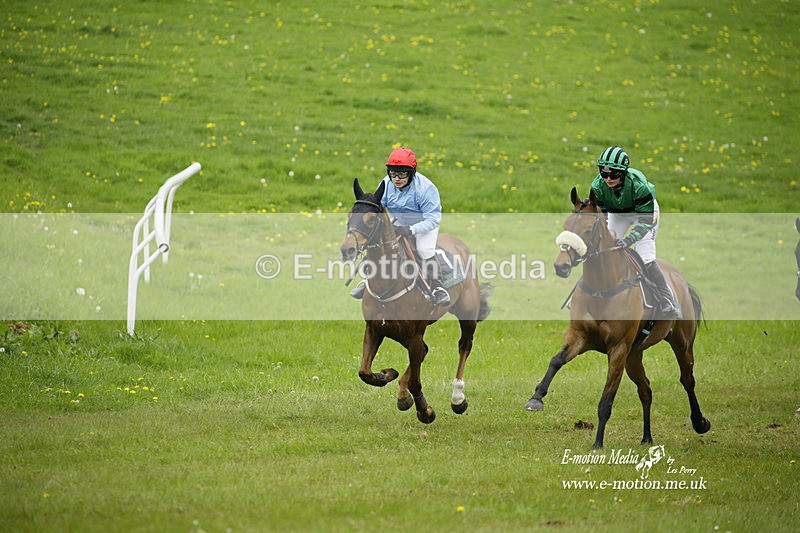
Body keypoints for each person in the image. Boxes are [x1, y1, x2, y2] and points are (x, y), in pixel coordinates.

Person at [350, 147, 451, 306]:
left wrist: (412, 230)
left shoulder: (426, 189)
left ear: (411, 173)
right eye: (393, 173)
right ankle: (368, 281)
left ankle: (438, 287)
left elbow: (433, 219)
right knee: (378, 244)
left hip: (424, 224)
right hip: (398, 222)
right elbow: (379, 207)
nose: (396, 179)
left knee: (424, 249)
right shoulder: (385, 184)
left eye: (402, 174)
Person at [590, 145, 678, 318]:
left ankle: (667, 299)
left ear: (623, 173)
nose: (608, 179)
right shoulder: (597, 186)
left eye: (613, 174)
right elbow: (601, 217)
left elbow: (645, 222)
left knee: (644, 256)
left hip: (644, 214)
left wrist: (629, 240)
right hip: (618, 213)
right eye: (604, 173)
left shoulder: (639, 186)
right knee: (604, 249)